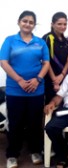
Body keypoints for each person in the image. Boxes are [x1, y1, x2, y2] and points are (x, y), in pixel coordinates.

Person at [0, 10, 50, 168]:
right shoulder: (10, 41)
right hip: (15, 90)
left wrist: (37, 79)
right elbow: (4, 62)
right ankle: (12, 155)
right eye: (25, 21)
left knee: (35, 123)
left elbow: (46, 63)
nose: (28, 24)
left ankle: (35, 151)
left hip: (37, 90)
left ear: (34, 25)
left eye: (31, 22)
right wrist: (19, 80)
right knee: (15, 124)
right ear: (19, 22)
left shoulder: (40, 42)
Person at [42, 12, 68, 104]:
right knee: (49, 107)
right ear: (52, 24)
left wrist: (62, 75)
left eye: (65, 24)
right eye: (59, 24)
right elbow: (46, 61)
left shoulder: (66, 40)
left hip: (63, 79)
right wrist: (55, 80)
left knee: (61, 106)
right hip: (50, 81)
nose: (62, 27)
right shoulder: (47, 38)